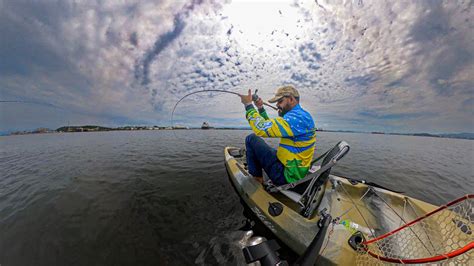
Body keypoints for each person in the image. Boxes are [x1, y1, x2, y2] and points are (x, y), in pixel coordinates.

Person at [239, 85, 316, 185]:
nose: (277, 105)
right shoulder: (301, 115)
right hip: (295, 169)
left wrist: (248, 105)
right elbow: (268, 126)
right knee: (269, 148)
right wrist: (260, 108)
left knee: (251, 138)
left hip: (286, 176)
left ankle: (256, 180)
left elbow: (261, 129)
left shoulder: (296, 118)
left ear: (291, 99)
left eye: (280, 101)